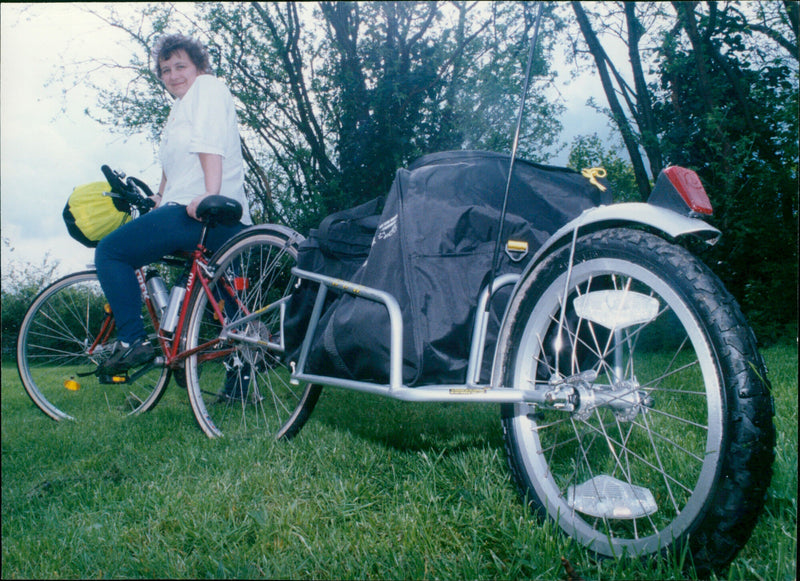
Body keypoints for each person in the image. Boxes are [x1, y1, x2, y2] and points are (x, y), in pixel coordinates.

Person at [95, 33, 252, 374]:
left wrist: (211, 195)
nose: (172, 75)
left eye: (181, 66)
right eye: (165, 70)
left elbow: (209, 143)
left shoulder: (207, 88)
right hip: (211, 214)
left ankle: (131, 342)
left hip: (202, 212)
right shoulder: (179, 108)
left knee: (111, 252)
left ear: (200, 67)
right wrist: (159, 198)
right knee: (234, 314)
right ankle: (241, 387)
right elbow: (174, 164)